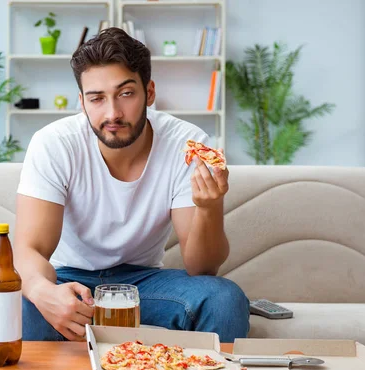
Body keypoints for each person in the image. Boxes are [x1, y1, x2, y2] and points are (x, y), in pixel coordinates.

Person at [14, 27, 249, 343]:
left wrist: (209, 207)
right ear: (82, 102)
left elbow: (202, 267)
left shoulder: (186, 144)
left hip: (144, 282)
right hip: (69, 278)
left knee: (224, 298)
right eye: (97, 98)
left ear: (149, 92)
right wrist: (43, 291)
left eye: (126, 94)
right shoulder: (54, 144)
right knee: (22, 301)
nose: (112, 113)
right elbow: (30, 250)